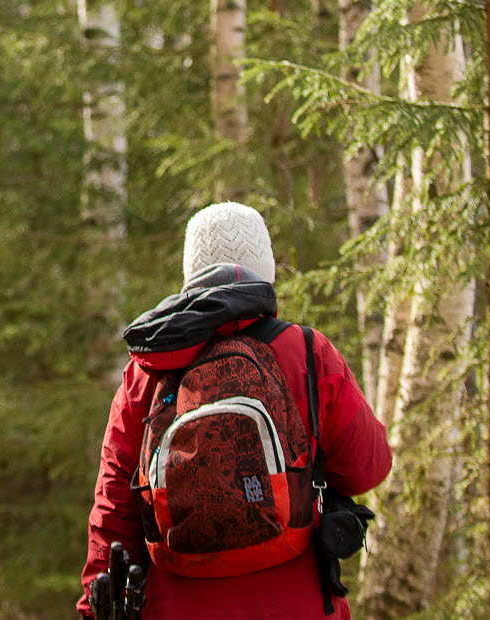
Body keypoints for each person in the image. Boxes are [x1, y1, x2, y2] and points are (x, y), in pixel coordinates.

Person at [79, 203, 393, 619]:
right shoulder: (306, 352)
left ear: (191, 276)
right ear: (266, 270)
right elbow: (366, 468)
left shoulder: (148, 369)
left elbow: (114, 504)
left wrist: (93, 606)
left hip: (174, 606)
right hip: (296, 603)